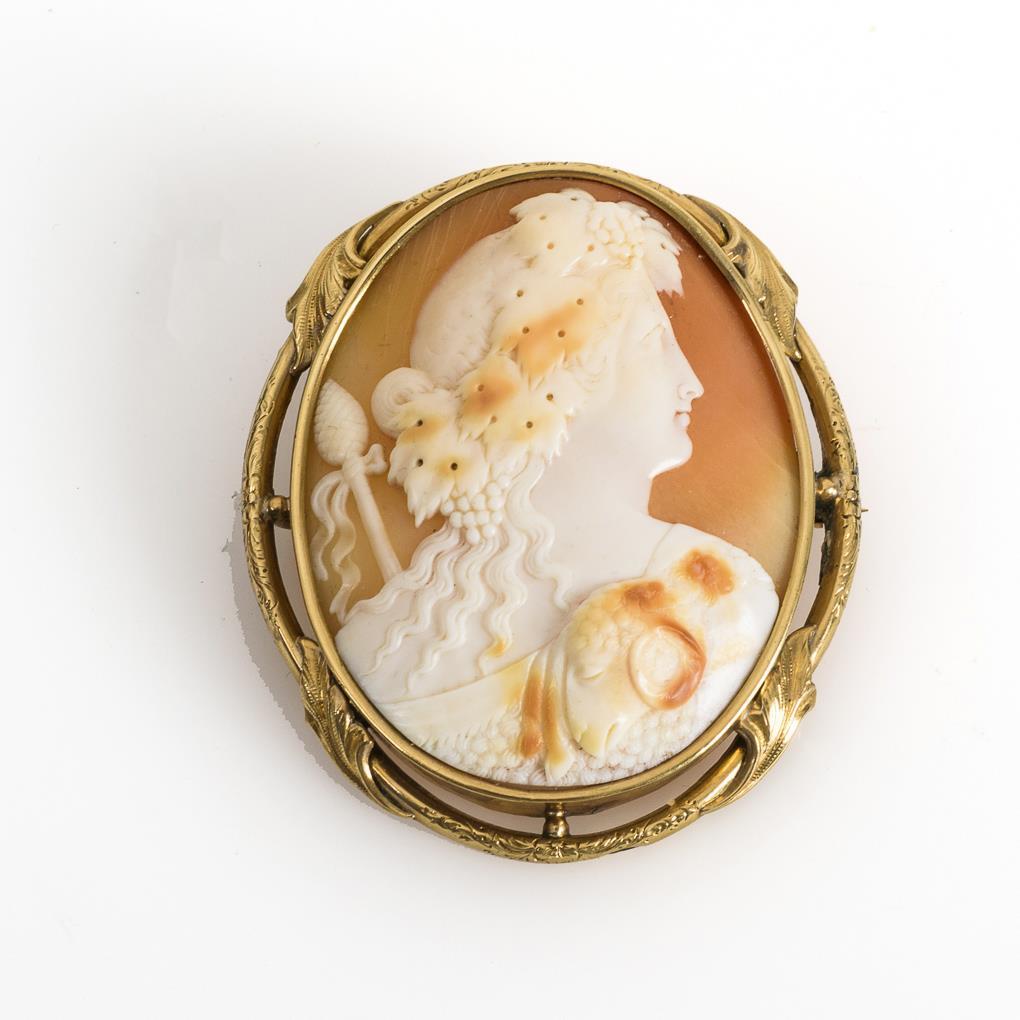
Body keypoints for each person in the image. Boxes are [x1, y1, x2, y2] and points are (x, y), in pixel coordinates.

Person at [320, 188, 778, 785]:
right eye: (652, 343)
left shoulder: (723, 601)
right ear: (558, 390)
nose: (690, 381)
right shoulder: (377, 655)